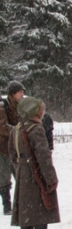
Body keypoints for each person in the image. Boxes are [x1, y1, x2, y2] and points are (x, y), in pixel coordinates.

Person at [9, 97, 60, 229]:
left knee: (26, 210)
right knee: (41, 207)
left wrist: (20, 170)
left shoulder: (16, 129)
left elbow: (12, 154)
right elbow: (43, 156)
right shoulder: (36, 129)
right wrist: (51, 179)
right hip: (36, 172)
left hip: (23, 172)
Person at [0, 80, 26, 215]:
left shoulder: (20, 106)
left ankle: (20, 204)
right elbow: (2, 127)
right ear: (13, 93)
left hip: (16, 147)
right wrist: (18, 130)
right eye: (20, 92)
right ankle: (7, 205)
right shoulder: (3, 106)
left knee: (20, 175)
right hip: (3, 148)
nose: (22, 94)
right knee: (4, 177)